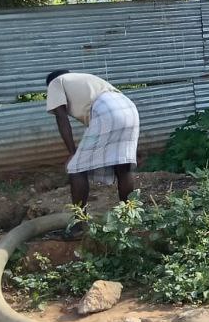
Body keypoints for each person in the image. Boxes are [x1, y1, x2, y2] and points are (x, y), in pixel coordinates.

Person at [45, 70, 140, 218]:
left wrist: (72, 153)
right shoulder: (83, 79)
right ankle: (130, 217)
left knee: (76, 168)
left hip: (106, 110)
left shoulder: (55, 83)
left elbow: (61, 118)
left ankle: (79, 221)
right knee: (123, 167)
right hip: (128, 108)